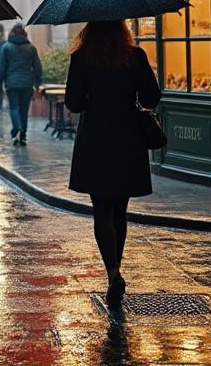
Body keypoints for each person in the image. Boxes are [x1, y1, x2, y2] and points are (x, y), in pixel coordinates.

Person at [63, 20, 162, 309]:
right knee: (120, 210)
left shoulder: (81, 58)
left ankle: (112, 272)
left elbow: (73, 103)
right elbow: (151, 97)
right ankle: (115, 270)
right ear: (122, 29)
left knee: (101, 210)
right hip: (127, 137)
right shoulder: (135, 56)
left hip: (95, 138)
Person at [0, 23, 42, 146]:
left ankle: (16, 128)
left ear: (12, 33)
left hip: (12, 83)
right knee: (24, 110)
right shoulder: (31, 48)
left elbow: (2, 68)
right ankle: (23, 136)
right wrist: (37, 84)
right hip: (27, 84)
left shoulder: (6, 47)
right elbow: (38, 68)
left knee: (14, 108)